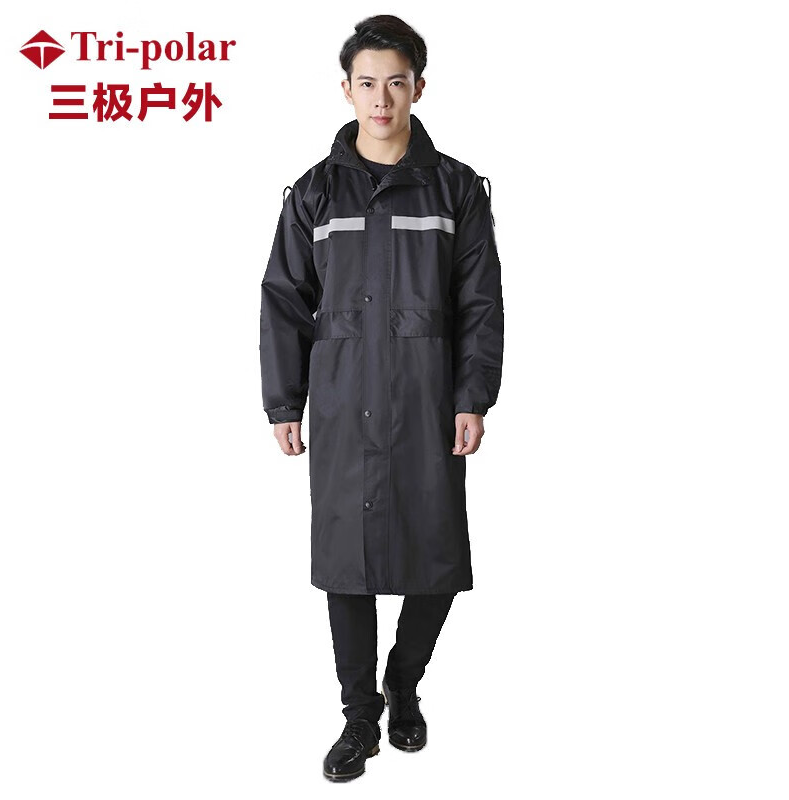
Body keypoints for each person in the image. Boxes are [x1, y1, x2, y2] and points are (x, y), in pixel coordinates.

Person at [259, 14, 504, 782]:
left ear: (418, 87)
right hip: (340, 401)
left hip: (427, 402)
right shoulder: (314, 193)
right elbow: (284, 300)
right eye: (367, 83)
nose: (381, 98)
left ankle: (404, 681)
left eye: (396, 82)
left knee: (437, 558)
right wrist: (284, 402)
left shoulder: (456, 188)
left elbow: (480, 303)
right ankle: (359, 716)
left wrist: (472, 396)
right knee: (346, 563)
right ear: (346, 89)